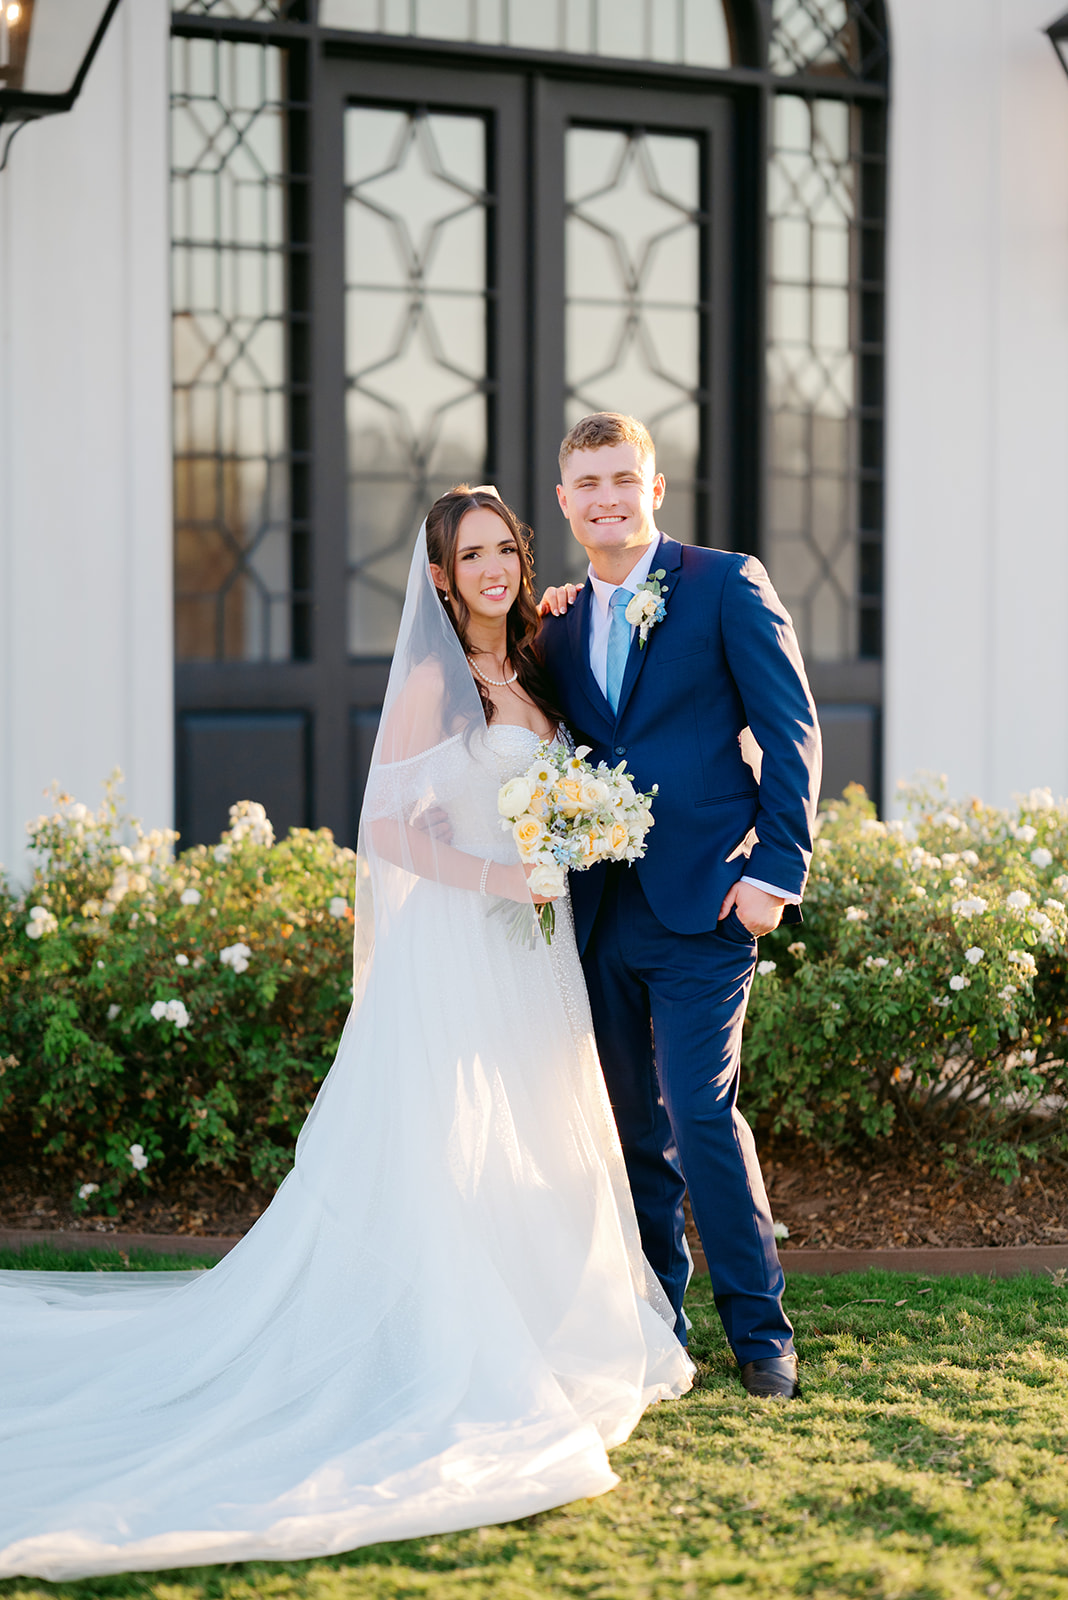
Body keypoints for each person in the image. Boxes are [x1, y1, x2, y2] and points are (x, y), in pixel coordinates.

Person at [0, 487, 691, 1583]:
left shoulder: (537, 661)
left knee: (534, 1121)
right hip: (464, 937)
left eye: (505, 548)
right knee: (447, 1139)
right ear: (441, 576)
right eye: (471, 555)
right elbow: (385, 830)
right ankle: (451, 1334)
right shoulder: (433, 682)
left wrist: (567, 840)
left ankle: (547, 1312)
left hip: (536, 944)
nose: (494, 568)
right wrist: (502, 876)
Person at [537, 413, 821, 1401]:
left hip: (709, 900)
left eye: (624, 479)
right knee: (630, 1131)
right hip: (599, 908)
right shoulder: (556, 621)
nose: (607, 498)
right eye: (588, 484)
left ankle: (761, 1333)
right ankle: (657, 1321)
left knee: (701, 1114)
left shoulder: (725, 584)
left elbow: (791, 732)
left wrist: (773, 876)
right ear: (565, 501)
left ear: (654, 489)